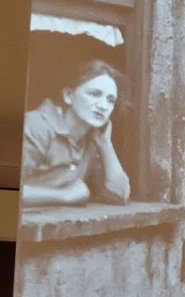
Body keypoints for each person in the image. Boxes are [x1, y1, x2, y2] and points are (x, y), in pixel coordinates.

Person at [21, 58, 131, 208]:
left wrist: (106, 145)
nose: (103, 106)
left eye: (110, 100)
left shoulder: (92, 139)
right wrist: (64, 196)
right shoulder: (36, 126)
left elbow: (120, 195)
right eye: (94, 94)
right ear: (68, 95)